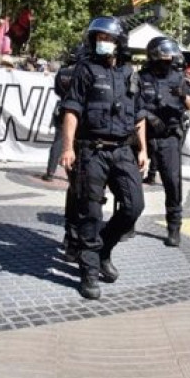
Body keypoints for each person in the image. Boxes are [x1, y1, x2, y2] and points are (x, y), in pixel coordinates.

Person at [60, 16, 148, 300]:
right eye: (98, 38)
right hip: (91, 150)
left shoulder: (130, 73)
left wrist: (143, 149)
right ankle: (88, 273)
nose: (102, 43)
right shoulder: (85, 70)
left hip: (123, 150)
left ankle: (103, 250)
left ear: (119, 42)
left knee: (134, 206)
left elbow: (139, 115)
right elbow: (71, 109)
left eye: (107, 39)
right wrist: (68, 147)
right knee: (90, 213)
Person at [138, 36, 190, 246]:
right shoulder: (141, 78)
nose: (168, 60)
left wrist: (183, 95)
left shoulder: (178, 78)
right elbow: (134, 108)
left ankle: (174, 227)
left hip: (169, 139)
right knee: (131, 181)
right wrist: (149, 116)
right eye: (164, 57)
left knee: (173, 184)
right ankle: (127, 223)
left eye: (170, 57)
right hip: (144, 136)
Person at [43, 45, 82, 182]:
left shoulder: (62, 71)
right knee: (78, 144)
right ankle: (74, 174)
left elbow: (57, 91)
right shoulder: (82, 72)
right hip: (78, 111)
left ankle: (50, 172)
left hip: (62, 107)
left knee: (58, 142)